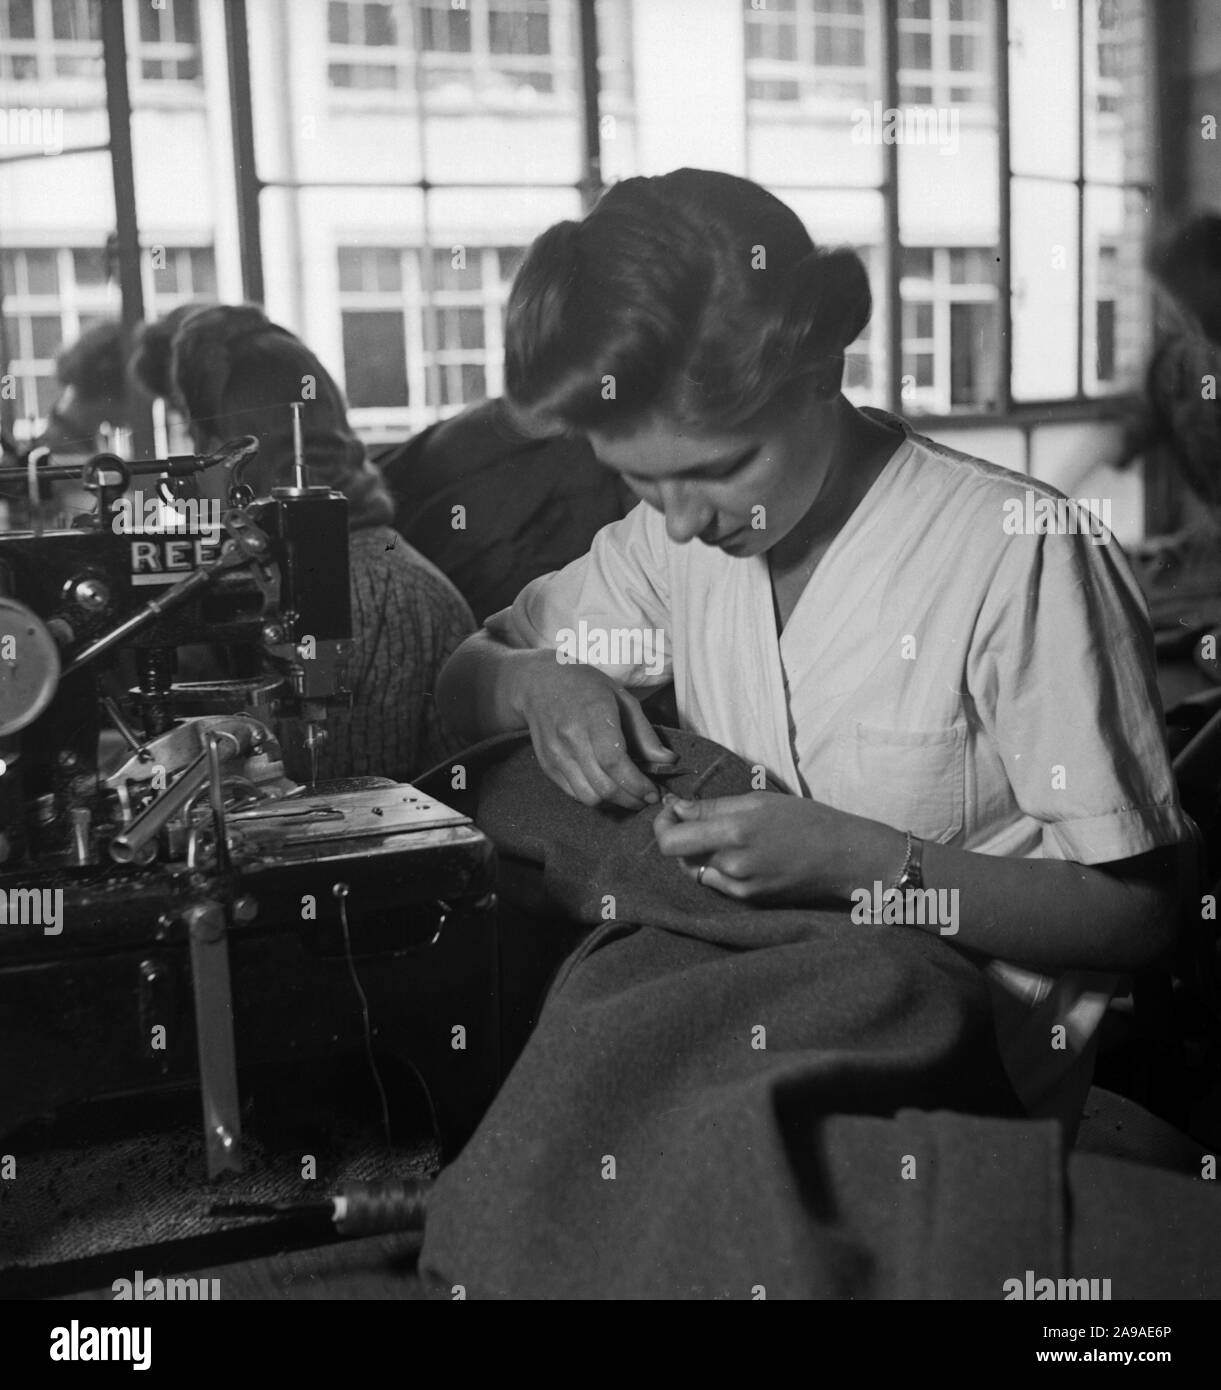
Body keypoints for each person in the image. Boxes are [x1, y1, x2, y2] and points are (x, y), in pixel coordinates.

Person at [437, 168, 1193, 1131]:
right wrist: (540, 682)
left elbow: (1140, 915)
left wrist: (866, 863)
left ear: (820, 372)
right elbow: (462, 682)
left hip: (960, 1089)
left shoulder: (1015, 550)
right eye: (638, 481)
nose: (676, 524)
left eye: (716, 470)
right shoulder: (670, 551)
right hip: (754, 1023)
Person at [131, 303, 475, 783]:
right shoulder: (322, 569)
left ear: (234, 455)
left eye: (193, 436)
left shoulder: (365, 590)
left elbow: (341, 807)